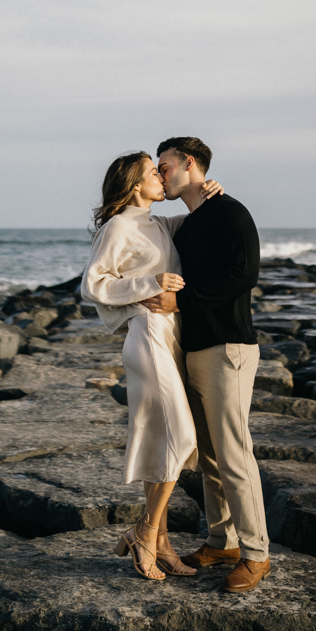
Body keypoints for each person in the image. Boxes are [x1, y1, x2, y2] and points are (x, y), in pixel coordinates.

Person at [81, 151, 222, 581]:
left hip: (171, 336)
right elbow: (92, 283)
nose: (161, 177)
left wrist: (210, 194)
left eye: (162, 171)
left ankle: (158, 539)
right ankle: (146, 532)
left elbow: (200, 223)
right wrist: (149, 285)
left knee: (163, 436)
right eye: (153, 173)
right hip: (147, 337)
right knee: (179, 434)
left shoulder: (159, 224)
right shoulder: (119, 226)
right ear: (134, 184)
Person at [138, 136, 271, 594]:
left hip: (228, 347)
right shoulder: (189, 223)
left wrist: (180, 301)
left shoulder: (230, 212)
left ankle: (256, 554)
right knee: (210, 455)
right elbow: (137, 227)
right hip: (195, 350)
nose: (160, 174)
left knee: (234, 452)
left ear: (188, 163)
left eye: (165, 165)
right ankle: (223, 541)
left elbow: (244, 274)